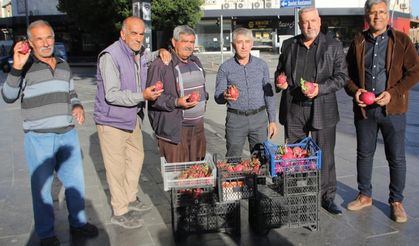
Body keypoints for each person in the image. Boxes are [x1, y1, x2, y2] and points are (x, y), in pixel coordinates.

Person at [1, 20, 98, 246]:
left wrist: (77, 105)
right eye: (40, 39)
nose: (46, 43)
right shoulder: (24, 66)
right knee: (42, 189)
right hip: (39, 138)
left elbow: (71, 92)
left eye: (49, 38)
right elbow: (8, 96)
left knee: (75, 183)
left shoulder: (63, 64)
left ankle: (78, 222)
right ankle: (45, 233)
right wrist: (16, 67)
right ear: (30, 42)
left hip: (68, 134)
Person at [345, 0, 419, 223]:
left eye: (381, 12)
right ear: (366, 16)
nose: (377, 16)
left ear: (388, 16)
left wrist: (394, 92)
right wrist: (355, 91)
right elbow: (345, 75)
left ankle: (396, 201)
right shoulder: (357, 41)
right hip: (365, 111)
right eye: (372, 12)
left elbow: (414, 71)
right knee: (364, 154)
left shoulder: (402, 40)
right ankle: (365, 194)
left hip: (393, 110)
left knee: (396, 157)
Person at [94, 16, 170, 229]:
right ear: (123, 34)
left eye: (141, 34)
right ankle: (119, 211)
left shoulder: (139, 53)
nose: (138, 38)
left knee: (136, 158)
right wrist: (142, 96)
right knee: (116, 166)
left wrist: (161, 52)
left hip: (132, 117)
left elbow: (148, 57)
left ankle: (129, 197)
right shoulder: (110, 56)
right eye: (134, 33)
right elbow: (112, 95)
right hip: (111, 120)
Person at [275, 7, 348, 215]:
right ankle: (300, 193)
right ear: (299, 24)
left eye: (313, 21)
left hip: (322, 109)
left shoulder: (333, 46)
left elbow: (342, 77)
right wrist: (279, 80)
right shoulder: (289, 45)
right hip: (294, 109)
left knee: (324, 155)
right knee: (296, 155)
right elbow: (280, 72)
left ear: (319, 20)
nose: (310, 25)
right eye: (305, 22)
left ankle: (327, 197)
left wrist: (320, 89)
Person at [147, 25, 208, 163]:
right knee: (178, 175)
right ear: (174, 42)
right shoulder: (161, 65)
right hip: (175, 130)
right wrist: (177, 102)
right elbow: (153, 99)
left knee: (197, 172)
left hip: (197, 128)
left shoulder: (195, 61)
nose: (189, 46)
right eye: (184, 41)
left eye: (192, 42)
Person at [214, 27, 278, 157]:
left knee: (261, 158)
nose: (244, 46)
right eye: (239, 42)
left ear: (252, 44)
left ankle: (258, 178)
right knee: (233, 157)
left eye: (247, 42)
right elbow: (217, 96)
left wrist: (272, 120)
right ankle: (236, 178)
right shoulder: (225, 67)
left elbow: (268, 95)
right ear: (233, 45)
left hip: (259, 119)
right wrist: (224, 95)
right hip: (236, 120)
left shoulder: (262, 65)